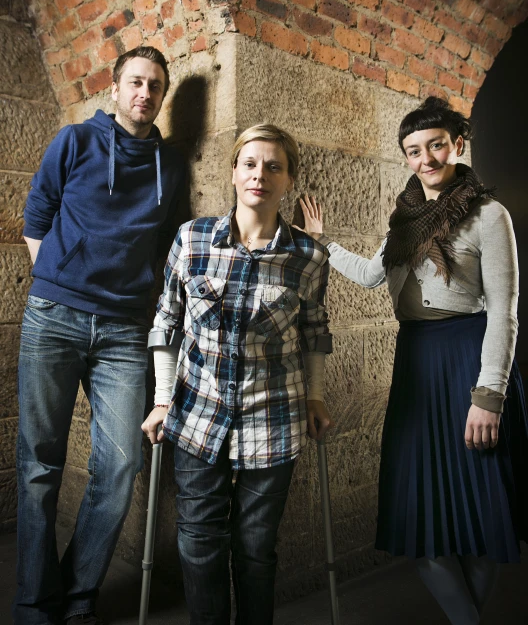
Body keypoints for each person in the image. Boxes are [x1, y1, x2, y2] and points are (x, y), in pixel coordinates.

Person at [298, 97, 528, 625]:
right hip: (417, 367)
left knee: (479, 519)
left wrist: (488, 396)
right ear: (406, 156)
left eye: (436, 146)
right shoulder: (403, 220)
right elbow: (374, 276)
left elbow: (504, 312)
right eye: (413, 150)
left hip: (470, 362)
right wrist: (323, 243)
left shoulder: (490, 215)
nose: (426, 158)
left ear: (457, 146)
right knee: (424, 517)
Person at [15, 46, 185, 625]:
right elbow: (35, 219)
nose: (144, 93)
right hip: (55, 317)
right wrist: (59, 280)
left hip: (124, 331)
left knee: (119, 467)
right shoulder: (75, 141)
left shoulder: (172, 164)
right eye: (135, 82)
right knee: (40, 463)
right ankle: (36, 602)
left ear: (162, 97)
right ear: (114, 90)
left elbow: (169, 247)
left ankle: (79, 593)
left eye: (155, 86)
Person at [142, 123, 333, 625]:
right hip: (197, 415)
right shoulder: (192, 239)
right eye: (250, 164)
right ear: (232, 171)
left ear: (288, 179)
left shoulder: (308, 257)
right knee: (199, 545)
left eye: (274, 166)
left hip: (273, 420)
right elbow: (167, 321)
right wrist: (163, 399)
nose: (260, 175)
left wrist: (315, 398)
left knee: (254, 549)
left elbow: (315, 332)